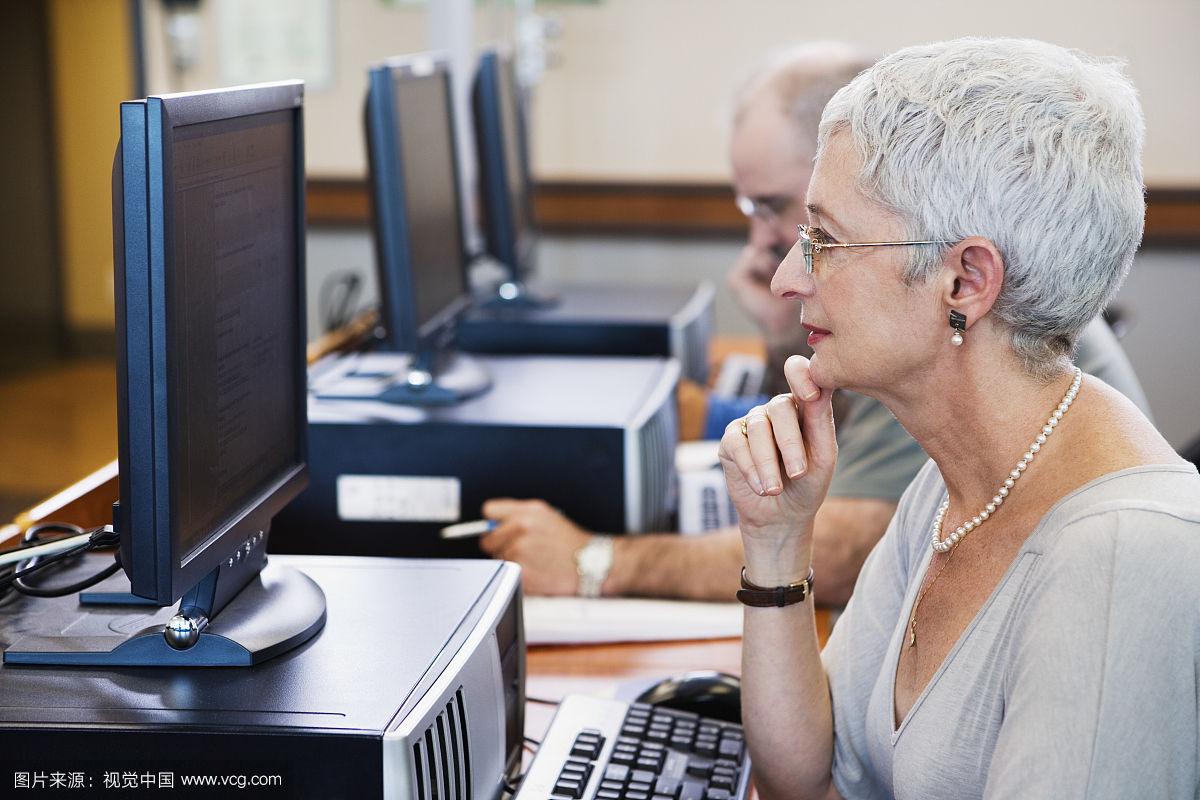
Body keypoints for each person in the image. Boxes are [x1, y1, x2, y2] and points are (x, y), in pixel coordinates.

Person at [478, 41, 1152, 608]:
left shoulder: (952, 351)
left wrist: (601, 563)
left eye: (817, 229)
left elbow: (852, 543)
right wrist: (791, 337)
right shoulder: (932, 435)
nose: (774, 252)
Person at [722, 37, 1200, 798]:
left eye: (826, 240)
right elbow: (805, 777)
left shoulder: (1121, 558)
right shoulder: (961, 481)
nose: (785, 277)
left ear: (965, 281)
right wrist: (777, 543)